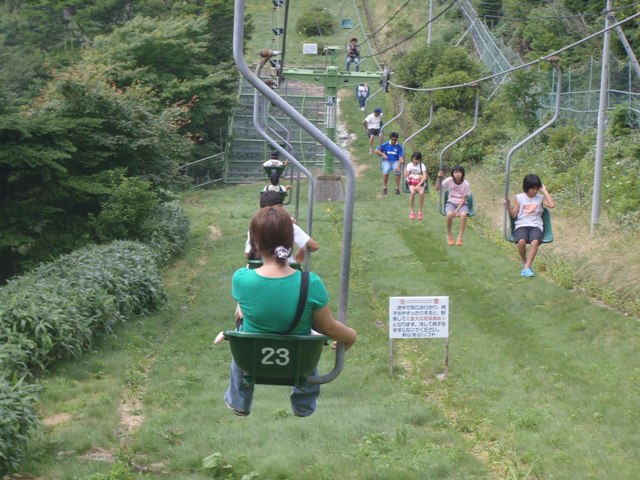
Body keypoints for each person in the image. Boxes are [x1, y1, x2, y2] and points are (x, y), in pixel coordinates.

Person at [222, 206, 357, 416]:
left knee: (242, 326)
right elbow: (328, 327)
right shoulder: (310, 283)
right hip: (299, 362)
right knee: (309, 330)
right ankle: (304, 403)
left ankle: (239, 399)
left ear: (255, 242)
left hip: (252, 359)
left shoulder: (241, 279)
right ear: (290, 241)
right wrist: (351, 336)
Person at [503, 174, 556, 277]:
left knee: (535, 242)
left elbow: (552, 205)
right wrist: (508, 205)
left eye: (537, 188)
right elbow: (514, 214)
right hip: (521, 225)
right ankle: (524, 261)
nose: (535, 191)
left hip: (536, 225)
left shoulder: (540, 198)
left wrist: (544, 190)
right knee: (521, 241)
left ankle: (527, 267)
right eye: (533, 189)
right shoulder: (519, 198)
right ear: (527, 188)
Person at [245, 191, 319, 264]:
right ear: (281, 208)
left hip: (259, 269)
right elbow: (314, 246)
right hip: (286, 269)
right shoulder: (289, 226)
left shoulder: (255, 227)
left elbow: (247, 254)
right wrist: (303, 249)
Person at [436, 165, 471, 246]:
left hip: (461, 204)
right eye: (455, 172)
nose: (457, 174)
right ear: (453, 174)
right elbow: (437, 188)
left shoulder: (466, 184)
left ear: (462, 174)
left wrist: (457, 209)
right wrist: (438, 177)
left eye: (459, 172)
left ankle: (460, 237)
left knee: (463, 215)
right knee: (449, 214)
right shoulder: (449, 180)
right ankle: (449, 235)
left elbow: (464, 199)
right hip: (451, 202)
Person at [404, 151, 428, 220]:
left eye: (417, 160)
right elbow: (406, 175)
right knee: (413, 193)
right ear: (412, 159)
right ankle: (411, 211)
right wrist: (405, 167)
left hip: (419, 182)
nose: (415, 161)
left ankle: (420, 211)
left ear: (419, 160)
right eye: (414, 159)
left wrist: (418, 185)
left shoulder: (422, 165)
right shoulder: (409, 165)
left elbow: (424, 177)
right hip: (411, 181)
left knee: (421, 193)